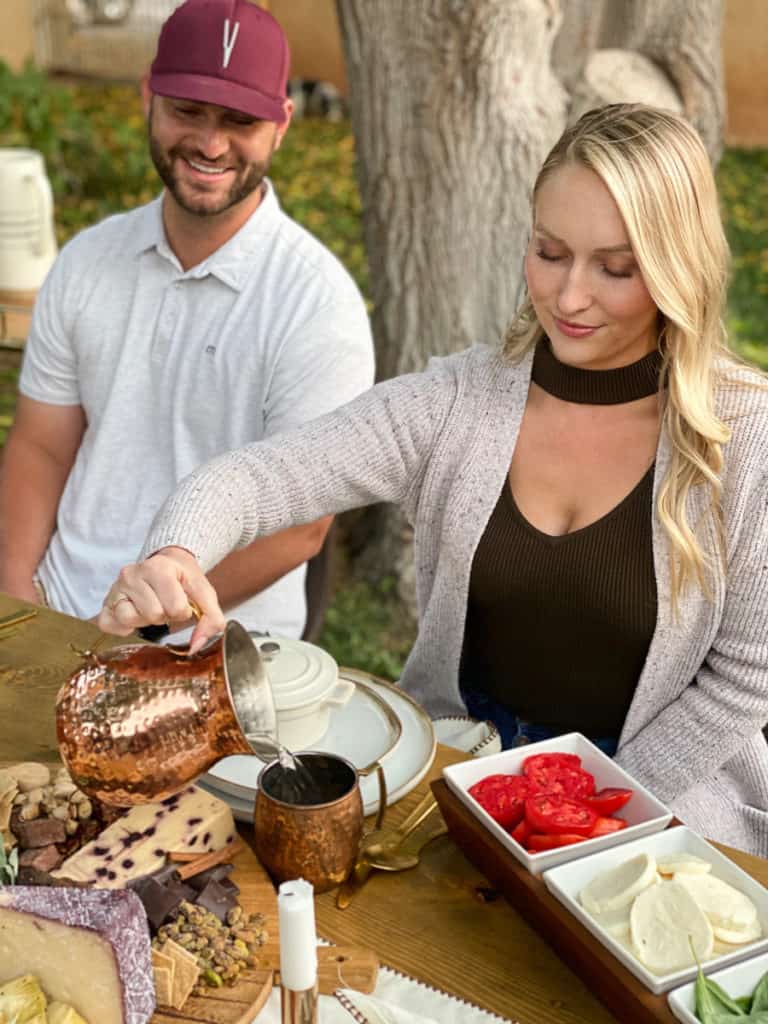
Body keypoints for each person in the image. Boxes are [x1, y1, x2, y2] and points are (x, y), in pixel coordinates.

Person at [96, 104, 768, 855]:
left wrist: (592, 814)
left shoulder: (745, 439)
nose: (571, 298)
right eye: (550, 253)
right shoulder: (456, 404)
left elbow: (742, 682)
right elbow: (258, 478)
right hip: (458, 775)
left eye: (615, 269)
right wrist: (176, 554)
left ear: (678, 267)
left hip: (660, 801)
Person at [0, 0, 374, 639]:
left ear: (281, 124)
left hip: (217, 642)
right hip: (59, 608)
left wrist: (130, 626)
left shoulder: (317, 305)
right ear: (148, 96)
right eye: (188, 111)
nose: (210, 143)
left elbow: (301, 528)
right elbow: (41, 445)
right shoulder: (87, 260)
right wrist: (18, 608)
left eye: (240, 120)